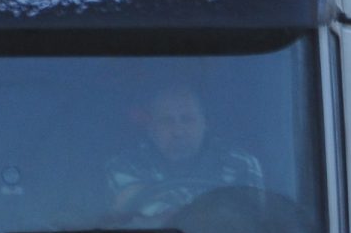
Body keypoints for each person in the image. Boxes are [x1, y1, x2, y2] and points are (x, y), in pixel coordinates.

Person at [103, 84, 264, 222]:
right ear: (151, 128)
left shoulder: (240, 163)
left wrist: (158, 204)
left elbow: (252, 229)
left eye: (187, 119)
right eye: (166, 121)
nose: (178, 131)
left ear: (205, 123)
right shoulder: (125, 165)